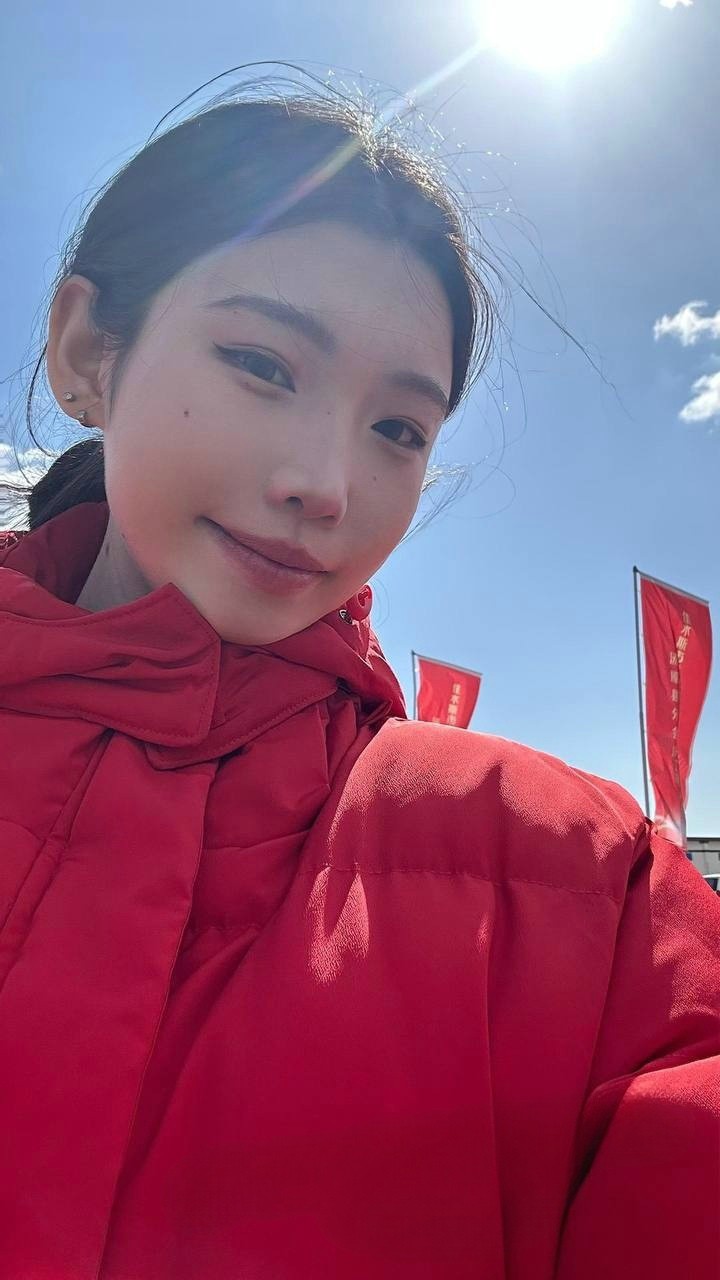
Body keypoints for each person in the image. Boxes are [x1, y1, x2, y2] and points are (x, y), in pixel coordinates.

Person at [0, 75, 717, 1280]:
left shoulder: (592, 884)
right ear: (87, 351)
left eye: (398, 430)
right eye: (262, 362)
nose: (325, 485)